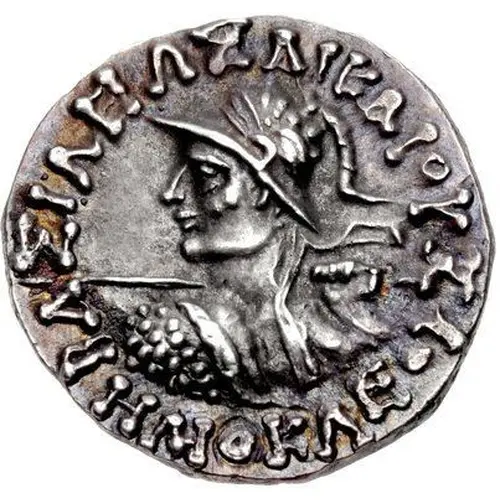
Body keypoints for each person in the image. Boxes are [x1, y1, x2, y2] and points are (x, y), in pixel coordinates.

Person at [147, 81, 399, 402]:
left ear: (265, 191)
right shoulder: (180, 324)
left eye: (208, 173)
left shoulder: (342, 318)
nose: (172, 193)